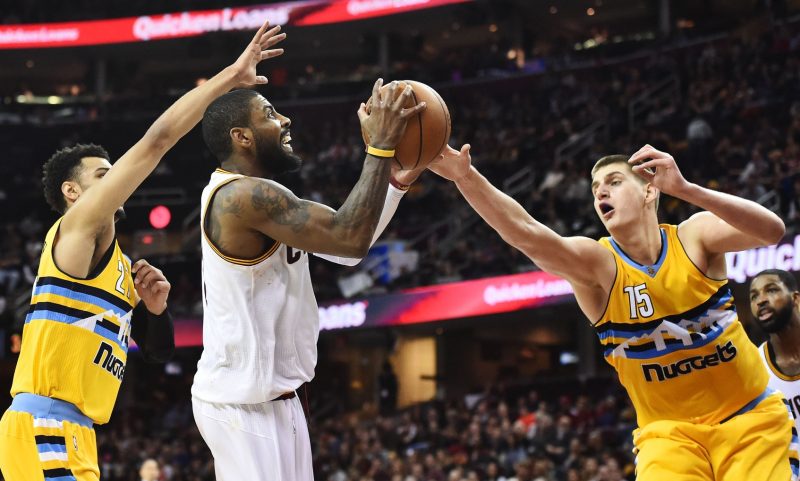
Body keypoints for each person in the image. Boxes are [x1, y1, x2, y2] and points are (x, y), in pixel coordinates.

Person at [0, 20, 286, 481]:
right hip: (44, 424)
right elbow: (158, 141)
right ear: (73, 192)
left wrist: (155, 309)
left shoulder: (118, 265)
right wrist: (231, 78)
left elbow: (158, 353)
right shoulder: (75, 232)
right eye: (103, 175)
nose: (115, 179)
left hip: (79, 432)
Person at [430, 143, 795, 480]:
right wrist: (465, 176)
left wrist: (685, 189)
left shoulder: (693, 237)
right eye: (595, 188)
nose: (600, 192)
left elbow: (771, 230)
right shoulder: (599, 266)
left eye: (614, 182)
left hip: (748, 418)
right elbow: (527, 233)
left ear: (649, 191)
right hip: (669, 437)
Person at [191, 79, 426, 480]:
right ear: (241, 136)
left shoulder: (267, 194)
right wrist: (380, 147)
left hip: (277, 401)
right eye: (269, 114)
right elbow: (348, 238)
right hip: (242, 407)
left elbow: (345, 249)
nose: (285, 120)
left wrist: (395, 182)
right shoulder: (240, 198)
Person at [750, 269, 800, 436]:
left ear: (795, 299)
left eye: (771, 290)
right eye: (754, 296)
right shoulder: (754, 370)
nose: (760, 300)